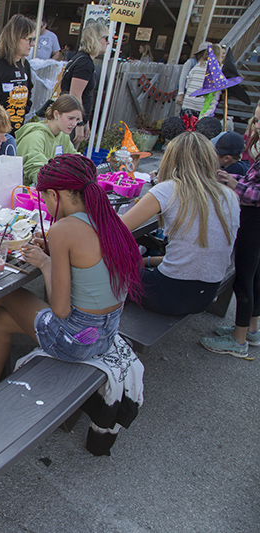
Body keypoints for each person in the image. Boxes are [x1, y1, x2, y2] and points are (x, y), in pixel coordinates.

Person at [0, 154, 143, 403]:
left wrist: (45, 263)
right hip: (103, 334)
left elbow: (60, 310)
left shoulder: (64, 229)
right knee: (1, 320)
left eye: (44, 198)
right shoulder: (108, 220)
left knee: (4, 294)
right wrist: (51, 256)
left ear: (54, 194)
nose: (46, 205)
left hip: (74, 339)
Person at [121, 132, 239, 316]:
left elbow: (115, 227)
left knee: (106, 266)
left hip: (168, 293)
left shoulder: (169, 189)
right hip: (206, 295)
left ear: (171, 159)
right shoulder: (229, 195)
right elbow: (197, 257)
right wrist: (145, 261)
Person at [200, 154, 260, 358]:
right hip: (253, 223)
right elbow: (252, 181)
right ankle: (251, 329)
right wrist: (229, 177)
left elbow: (254, 193)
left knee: (243, 280)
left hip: (254, 225)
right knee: (254, 277)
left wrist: (235, 185)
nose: (256, 126)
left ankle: (238, 340)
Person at [16, 94, 83, 185]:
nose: (74, 123)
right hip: (25, 192)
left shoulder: (63, 135)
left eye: (77, 119)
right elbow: (35, 167)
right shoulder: (36, 136)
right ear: (56, 114)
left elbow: (74, 159)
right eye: (70, 118)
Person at [60, 21, 109, 146]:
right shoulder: (84, 63)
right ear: (96, 39)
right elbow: (75, 95)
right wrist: (79, 124)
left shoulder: (83, 59)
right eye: (106, 38)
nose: (108, 42)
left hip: (72, 118)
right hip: (70, 120)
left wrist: (86, 122)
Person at [182, 43, 223, 119]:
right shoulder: (217, 70)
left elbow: (188, 83)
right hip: (201, 105)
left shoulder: (197, 66)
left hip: (188, 102)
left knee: (186, 127)